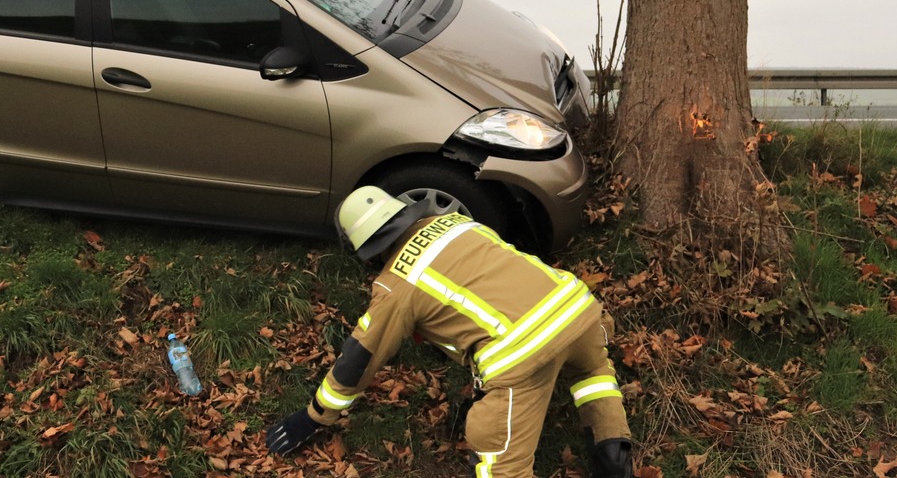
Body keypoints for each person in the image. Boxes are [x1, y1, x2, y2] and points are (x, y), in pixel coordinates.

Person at [265, 186, 634, 478]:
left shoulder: (397, 286)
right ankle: (614, 460)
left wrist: (314, 416)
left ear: (362, 247)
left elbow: (359, 359)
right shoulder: (459, 223)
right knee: (592, 375)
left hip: (523, 353)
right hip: (580, 309)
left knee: (497, 455)